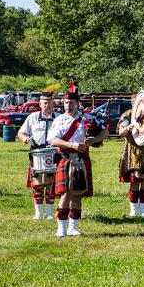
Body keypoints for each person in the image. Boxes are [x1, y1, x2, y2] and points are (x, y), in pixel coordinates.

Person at [47, 79, 107, 237]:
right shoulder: (59, 120)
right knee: (65, 193)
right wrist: (71, 145)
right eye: (66, 102)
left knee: (78, 193)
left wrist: (94, 140)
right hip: (65, 158)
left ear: (78, 103)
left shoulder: (87, 119)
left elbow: (104, 132)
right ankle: (61, 227)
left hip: (82, 159)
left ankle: (73, 227)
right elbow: (53, 140)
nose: (68, 105)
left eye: (72, 102)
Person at [17, 91, 57, 219]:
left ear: (53, 104)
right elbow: (21, 132)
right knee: (37, 184)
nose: (47, 105)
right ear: (40, 104)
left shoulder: (59, 117)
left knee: (51, 185)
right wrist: (24, 138)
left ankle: (49, 213)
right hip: (37, 154)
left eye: (50, 103)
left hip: (54, 153)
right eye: (45, 103)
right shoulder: (32, 117)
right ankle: (38, 213)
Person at [117, 104, 144, 219]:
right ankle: (133, 211)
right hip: (132, 150)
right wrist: (128, 128)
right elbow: (120, 131)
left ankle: (143, 211)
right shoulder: (127, 114)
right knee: (134, 182)